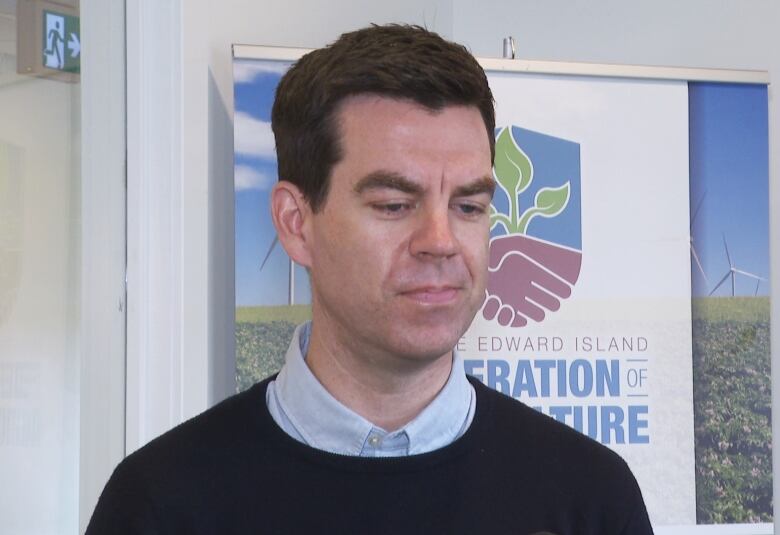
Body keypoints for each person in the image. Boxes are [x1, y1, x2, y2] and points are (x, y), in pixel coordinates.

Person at [86, 24, 654, 534]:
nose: (440, 240)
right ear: (296, 223)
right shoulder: (161, 503)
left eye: (469, 206)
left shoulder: (591, 498)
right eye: (393, 204)